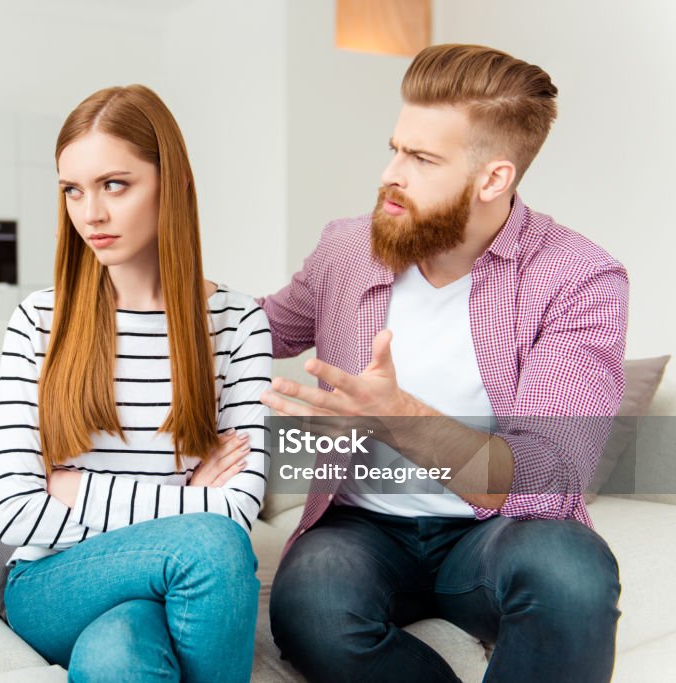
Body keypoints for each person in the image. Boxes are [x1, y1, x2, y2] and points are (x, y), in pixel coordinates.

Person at [260, 44, 627, 682]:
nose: (390, 173)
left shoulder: (578, 277)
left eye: (422, 159)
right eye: (396, 147)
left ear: (493, 179)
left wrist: (400, 418)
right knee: (310, 604)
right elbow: (262, 325)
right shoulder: (348, 247)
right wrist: (171, 297)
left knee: (572, 572)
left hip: (492, 536)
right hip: (362, 528)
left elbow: (549, 475)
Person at [0, 84, 272, 682]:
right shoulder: (41, 319)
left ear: (171, 182)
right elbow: (15, 511)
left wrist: (74, 487)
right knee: (210, 546)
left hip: (165, 585)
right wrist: (191, 502)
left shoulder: (237, 322)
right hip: (51, 581)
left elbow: (241, 506)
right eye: (73, 190)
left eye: (114, 184)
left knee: (119, 653)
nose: (91, 213)